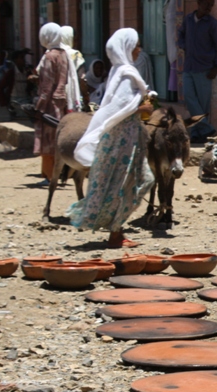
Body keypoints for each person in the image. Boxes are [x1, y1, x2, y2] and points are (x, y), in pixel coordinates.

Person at [68, 29, 155, 249]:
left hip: (128, 140)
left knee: (128, 183)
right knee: (133, 182)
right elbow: (119, 109)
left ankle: (116, 229)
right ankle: (116, 231)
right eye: (136, 45)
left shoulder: (121, 72)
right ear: (126, 47)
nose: (138, 49)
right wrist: (142, 107)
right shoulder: (125, 74)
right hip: (121, 142)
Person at [177, 0, 217, 143]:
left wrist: (216, 67)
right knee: (189, 97)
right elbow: (181, 35)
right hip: (189, 67)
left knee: (203, 105)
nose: (209, 8)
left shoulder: (212, 24)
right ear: (199, 3)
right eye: (207, 4)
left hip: (205, 69)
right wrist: (184, 46)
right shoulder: (188, 20)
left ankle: (198, 134)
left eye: (211, 5)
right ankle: (207, 128)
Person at [32, 23, 69, 182]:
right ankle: (57, 174)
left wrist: (38, 107)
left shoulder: (49, 57)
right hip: (61, 102)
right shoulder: (64, 54)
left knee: (47, 142)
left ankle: (48, 175)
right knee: (56, 139)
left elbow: (46, 87)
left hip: (49, 105)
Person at [59, 26, 83, 112]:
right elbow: (82, 78)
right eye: (74, 39)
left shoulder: (49, 53)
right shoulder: (75, 54)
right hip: (70, 95)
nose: (76, 42)